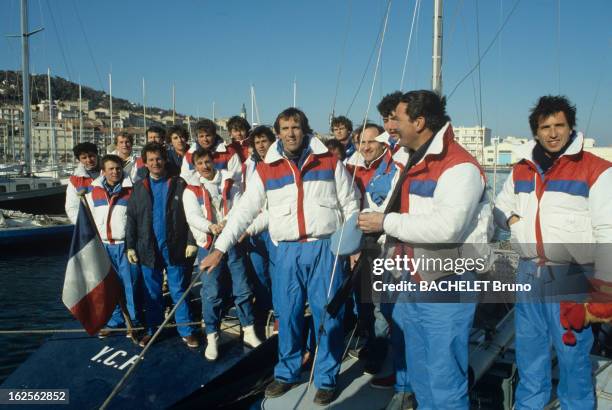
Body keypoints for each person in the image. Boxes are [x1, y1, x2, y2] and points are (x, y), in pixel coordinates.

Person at [200, 107, 360, 406]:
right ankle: (287, 373)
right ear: (278, 133)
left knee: (329, 316)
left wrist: (351, 247)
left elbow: (351, 203)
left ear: (305, 129)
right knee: (287, 314)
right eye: (284, 128)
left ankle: (326, 377)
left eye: (295, 127)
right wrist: (220, 248)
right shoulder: (266, 168)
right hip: (286, 251)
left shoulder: (329, 161)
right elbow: (244, 211)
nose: (290, 133)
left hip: (325, 248)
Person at [358, 90, 490, 409]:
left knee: (444, 378)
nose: (391, 127)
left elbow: (448, 228)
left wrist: (385, 223)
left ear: (418, 122)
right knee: (421, 373)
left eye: (397, 120)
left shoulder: (459, 166)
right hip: (413, 282)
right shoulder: (412, 160)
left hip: (448, 283)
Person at [494, 95, 612, 409]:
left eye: (559, 125)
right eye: (545, 126)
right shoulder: (522, 169)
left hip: (571, 275)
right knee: (530, 351)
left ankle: (578, 404)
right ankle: (529, 404)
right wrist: (513, 220)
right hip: (528, 273)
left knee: (572, 353)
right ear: (535, 131)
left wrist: (604, 289)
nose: (553, 132)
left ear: (572, 127)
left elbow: (607, 230)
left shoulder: (596, 170)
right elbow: (500, 206)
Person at [183, 148, 261, 360]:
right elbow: (192, 216)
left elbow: (239, 206)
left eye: (208, 162)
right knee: (211, 291)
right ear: (195, 166)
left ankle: (249, 330)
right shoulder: (190, 190)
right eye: (200, 164)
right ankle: (212, 335)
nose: (205, 166)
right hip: (208, 244)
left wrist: (227, 223)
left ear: (213, 161)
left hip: (232, 242)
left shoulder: (230, 183)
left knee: (242, 287)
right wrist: (211, 226)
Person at [125, 142, 199, 348]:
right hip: (148, 249)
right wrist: (130, 246)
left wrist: (192, 241)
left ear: (164, 160)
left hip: (174, 248)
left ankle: (187, 330)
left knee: (179, 290)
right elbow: (131, 219)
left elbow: (192, 214)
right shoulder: (139, 188)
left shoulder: (178, 184)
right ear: (145, 164)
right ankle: (153, 330)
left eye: (159, 158)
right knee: (152, 293)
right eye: (151, 160)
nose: (155, 163)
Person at [345, 123, 396, 377]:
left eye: (371, 142)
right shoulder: (350, 167)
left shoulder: (393, 167)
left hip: (385, 241)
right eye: (361, 142)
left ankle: (379, 350)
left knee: (379, 301)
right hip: (362, 241)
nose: (365, 147)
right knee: (363, 298)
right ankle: (371, 341)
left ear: (382, 143)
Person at [86, 154, 141, 342]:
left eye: (118, 168)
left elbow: (138, 220)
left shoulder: (131, 190)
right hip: (104, 245)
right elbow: (90, 217)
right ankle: (115, 320)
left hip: (124, 246)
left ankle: (133, 323)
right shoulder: (94, 190)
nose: (115, 172)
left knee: (130, 286)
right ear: (104, 171)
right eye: (111, 169)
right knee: (109, 286)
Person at [65, 142, 100, 224]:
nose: (89, 160)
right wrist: (82, 225)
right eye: (84, 158)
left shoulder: (111, 172)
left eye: (91, 156)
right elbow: (72, 207)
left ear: (96, 155)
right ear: (79, 160)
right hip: (89, 225)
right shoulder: (75, 180)